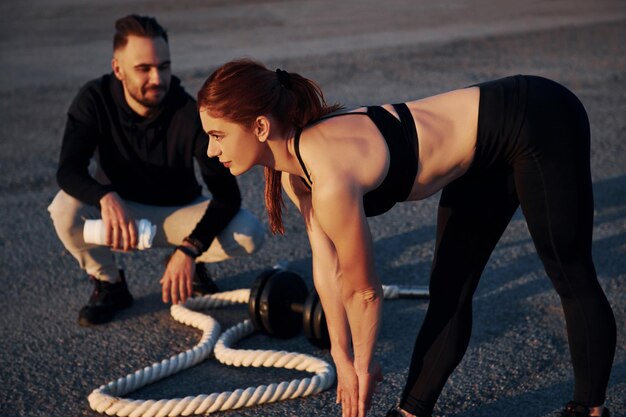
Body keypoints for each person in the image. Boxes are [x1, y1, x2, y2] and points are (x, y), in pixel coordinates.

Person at [195, 59, 616, 417]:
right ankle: (412, 410)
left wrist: (364, 367)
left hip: (537, 119)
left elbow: (364, 291)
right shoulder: (295, 174)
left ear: (261, 126)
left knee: (569, 271)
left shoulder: (329, 176)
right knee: (448, 291)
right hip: (481, 155)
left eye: (218, 136)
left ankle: (591, 409)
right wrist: (341, 359)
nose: (212, 152)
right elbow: (328, 270)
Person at [48, 16, 265, 327]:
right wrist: (106, 197)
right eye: (144, 69)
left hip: (177, 210)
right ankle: (110, 284)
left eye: (164, 66)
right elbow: (68, 170)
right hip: (117, 211)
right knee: (63, 209)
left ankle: (190, 264)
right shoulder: (94, 100)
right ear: (118, 68)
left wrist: (190, 250)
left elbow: (227, 196)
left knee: (249, 232)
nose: (157, 78)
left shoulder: (188, 113)